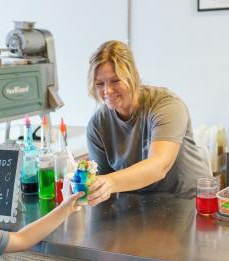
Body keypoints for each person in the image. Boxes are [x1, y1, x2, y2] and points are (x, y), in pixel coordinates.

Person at [86, 40, 211, 206]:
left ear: (134, 76)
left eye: (115, 81)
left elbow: (159, 165)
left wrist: (109, 182)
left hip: (188, 203)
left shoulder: (167, 105)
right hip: (139, 206)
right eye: (99, 84)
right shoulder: (98, 126)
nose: (107, 91)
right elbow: (102, 187)